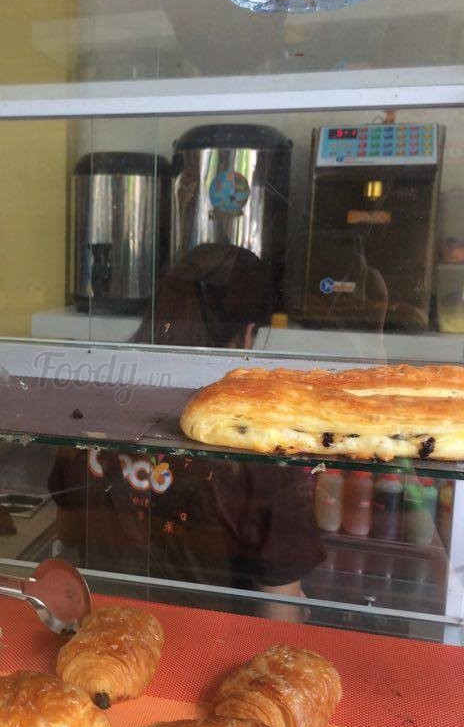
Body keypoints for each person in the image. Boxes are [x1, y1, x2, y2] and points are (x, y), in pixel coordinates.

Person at [48, 243, 325, 620]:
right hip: (209, 647)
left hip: (102, 630)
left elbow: (69, 533)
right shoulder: (261, 437)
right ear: (247, 335)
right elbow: (280, 609)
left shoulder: (96, 400)